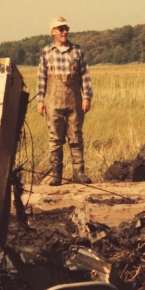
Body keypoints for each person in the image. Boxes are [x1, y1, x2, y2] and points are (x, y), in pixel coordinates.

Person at [37, 16, 93, 186]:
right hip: (53, 102)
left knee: (76, 137)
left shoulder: (77, 50)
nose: (64, 32)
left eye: (66, 28)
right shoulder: (47, 52)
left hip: (74, 102)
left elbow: (84, 75)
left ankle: (79, 173)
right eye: (60, 29)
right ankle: (56, 175)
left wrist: (87, 97)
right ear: (52, 32)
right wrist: (40, 100)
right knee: (55, 139)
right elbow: (41, 77)